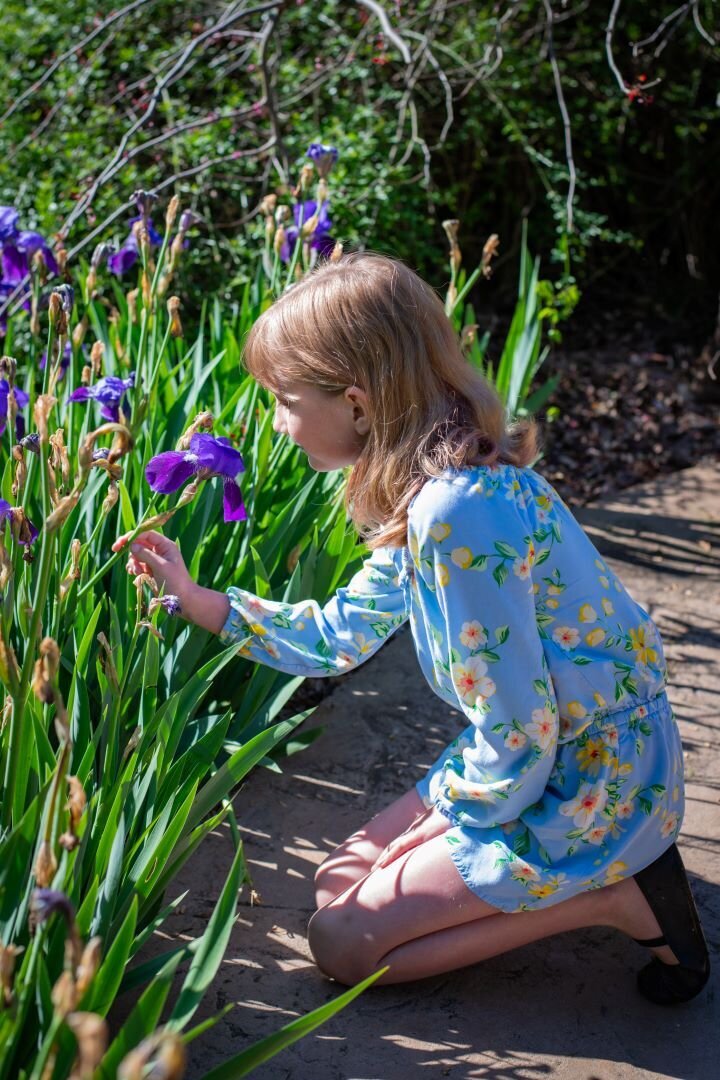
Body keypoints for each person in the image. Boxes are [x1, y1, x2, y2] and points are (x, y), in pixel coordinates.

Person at [113, 252, 709, 1005]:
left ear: (359, 405)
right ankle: (580, 878)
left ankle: (616, 896)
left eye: (285, 399)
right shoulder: (433, 488)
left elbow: (520, 729)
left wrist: (445, 820)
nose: (276, 422)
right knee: (337, 880)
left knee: (341, 944)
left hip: (591, 778)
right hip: (546, 750)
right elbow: (344, 632)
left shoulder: (460, 514)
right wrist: (209, 604)